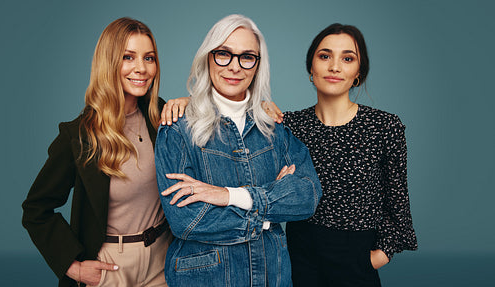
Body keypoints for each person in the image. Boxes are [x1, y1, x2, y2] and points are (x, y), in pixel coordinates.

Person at [162, 23, 417, 287]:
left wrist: (376, 257)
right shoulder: (287, 124)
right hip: (297, 260)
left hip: (355, 259)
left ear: (358, 72)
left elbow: (397, 205)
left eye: (348, 58)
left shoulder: (383, 126)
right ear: (311, 67)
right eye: (325, 56)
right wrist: (189, 102)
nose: (335, 67)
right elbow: (232, 107)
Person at [154, 14, 322, 287]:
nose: (234, 67)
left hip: (273, 276)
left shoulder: (274, 128)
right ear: (208, 58)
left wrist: (227, 196)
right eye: (224, 54)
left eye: (247, 57)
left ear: (258, 65)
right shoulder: (177, 129)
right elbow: (186, 219)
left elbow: (307, 195)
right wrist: (268, 213)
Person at [22, 17, 172, 287]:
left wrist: (268, 111)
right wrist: (73, 267)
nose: (141, 68)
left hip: (163, 260)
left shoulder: (160, 115)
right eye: (128, 57)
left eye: (149, 58)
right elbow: (36, 209)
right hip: (111, 266)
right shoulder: (79, 135)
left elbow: (213, 119)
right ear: (109, 62)